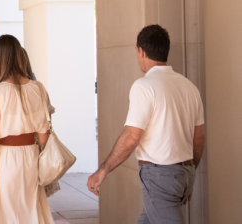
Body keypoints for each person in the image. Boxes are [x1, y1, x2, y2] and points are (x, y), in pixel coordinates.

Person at [87, 25, 205, 224]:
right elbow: (199, 138)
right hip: (185, 173)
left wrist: (103, 171)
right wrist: (189, 173)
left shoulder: (144, 86)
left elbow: (131, 137)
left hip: (160, 176)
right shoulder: (189, 87)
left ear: (141, 51)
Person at [0, 35, 55, 224]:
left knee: (5, 212)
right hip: (31, 156)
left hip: (5, 159)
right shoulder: (38, 88)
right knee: (31, 209)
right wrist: (41, 162)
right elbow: (43, 135)